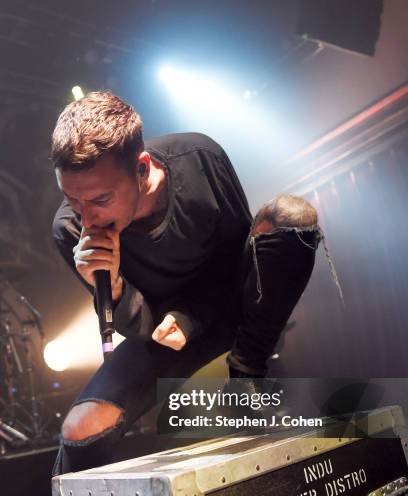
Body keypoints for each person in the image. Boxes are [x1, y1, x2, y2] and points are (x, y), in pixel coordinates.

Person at [51, 91, 320, 475]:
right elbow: (138, 327)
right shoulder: (72, 229)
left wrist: (191, 316)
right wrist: (109, 287)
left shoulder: (200, 160)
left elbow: (236, 270)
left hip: (226, 310)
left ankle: (247, 377)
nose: (87, 218)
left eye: (101, 199)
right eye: (72, 199)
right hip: (160, 333)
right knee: (81, 429)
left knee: (291, 218)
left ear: (141, 168)